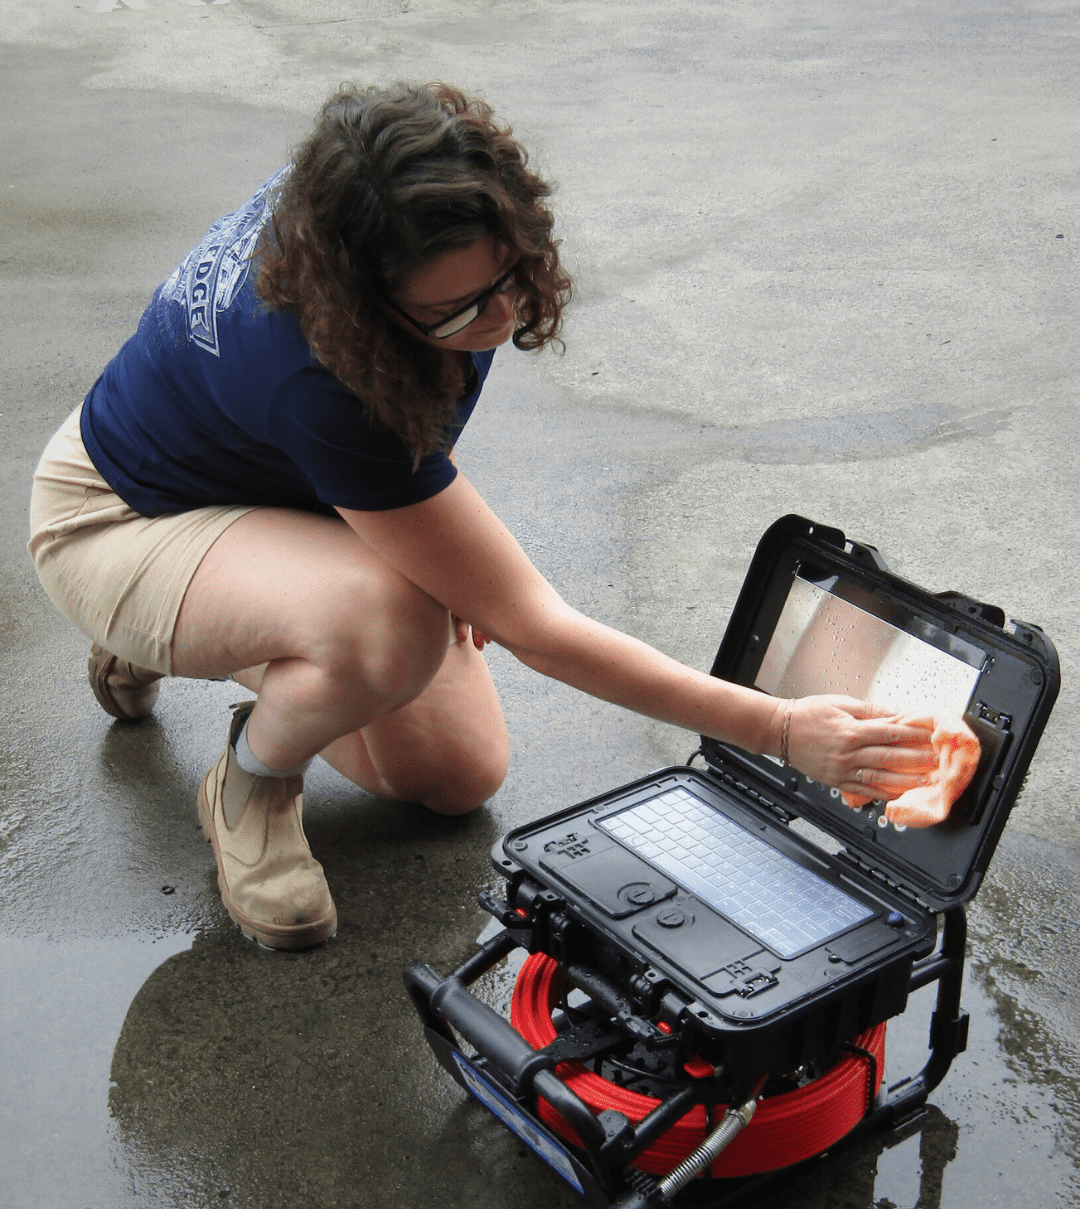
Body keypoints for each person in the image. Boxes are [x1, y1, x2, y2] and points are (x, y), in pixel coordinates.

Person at [28, 82, 935, 951]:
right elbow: (534, 628)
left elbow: (423, 430)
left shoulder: (394, 203)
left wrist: (424, 533)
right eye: (456, 309)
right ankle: (250, 780)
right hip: (118, 517)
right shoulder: (325, 380)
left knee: (454, 779)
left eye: (511, 274)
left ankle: (240, 622)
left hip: (276, 487)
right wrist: (776, 730)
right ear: (361, 306)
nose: (502, 315)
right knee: (390, 628)